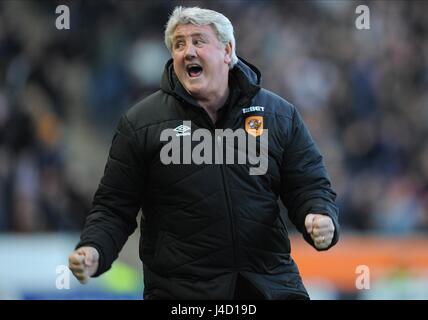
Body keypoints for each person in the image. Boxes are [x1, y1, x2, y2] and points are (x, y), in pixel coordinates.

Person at [68, 6, 339, 300]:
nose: (188, 51)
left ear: (227, 50)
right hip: (182, 294)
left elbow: (309, 185)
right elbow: (114, 208)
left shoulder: (278, 115)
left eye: (198, 41)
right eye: (179, 44)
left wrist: (319, 216)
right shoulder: (141, 123)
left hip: (270, 286)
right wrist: (94, 248)